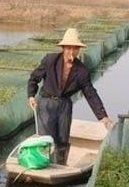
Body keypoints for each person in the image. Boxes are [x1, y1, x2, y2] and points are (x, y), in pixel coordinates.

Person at [27, 28, 112, 165]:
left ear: (78, 50)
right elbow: (34, 78)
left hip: (64, 105)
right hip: (46, 102)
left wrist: (102, 116)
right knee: (46, 138)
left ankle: (60, 165)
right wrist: (31, 95)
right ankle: (43, 165)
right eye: (68, 48)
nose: (71, 52)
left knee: (62, 139)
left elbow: (90, 93)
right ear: (63, 48)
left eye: (74, 49)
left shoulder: (82, 70)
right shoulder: (50, 60)